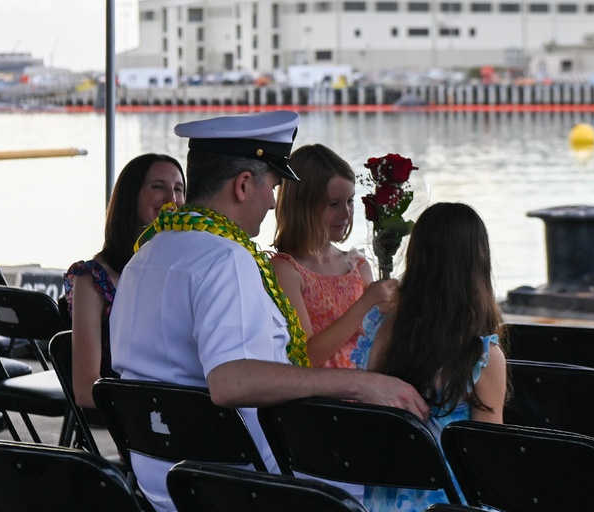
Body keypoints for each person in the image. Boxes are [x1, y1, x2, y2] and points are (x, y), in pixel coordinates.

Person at [109, 110, 428, 512]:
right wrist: (359, 384)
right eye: (274, 185)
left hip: (163, 482)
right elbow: (231, 382)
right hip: (243, 482)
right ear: (243, 185)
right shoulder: (226, 258)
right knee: (412, 484)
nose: (274, 201)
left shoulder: (146, 254)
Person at [350, 201, 507, 512]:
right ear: (478, 263)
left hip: (384, 502)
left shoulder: (379, 329)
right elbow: (489, 463)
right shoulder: (481, 356)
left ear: (416, 257)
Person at [62, 153, 185, 408]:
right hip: (136, 416)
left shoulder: (187, 271)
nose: (172, 199)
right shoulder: (92, 279)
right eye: (158, 187)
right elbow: (86, 390)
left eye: (179, 189)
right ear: (132, 196)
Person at [271, 144, 397, 368]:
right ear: (302, 206)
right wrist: (364, 305)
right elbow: (307, 357)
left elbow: (379, 340)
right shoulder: (285, 270)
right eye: (333, 204)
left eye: (350, 201)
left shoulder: (357, 266)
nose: (346, 213)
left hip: (368, 388)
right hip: (325, 398)